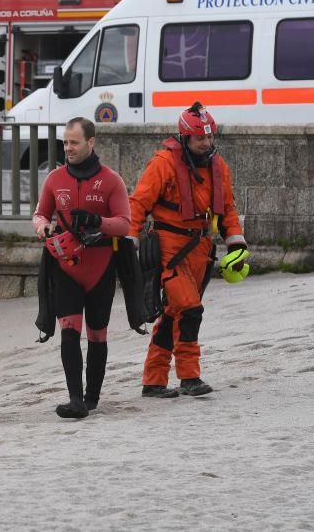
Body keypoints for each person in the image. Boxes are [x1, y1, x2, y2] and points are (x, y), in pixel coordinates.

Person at [129, 102, 249, 399]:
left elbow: (228, 209)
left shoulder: (219, 166)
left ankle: (153, 381)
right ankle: (190, 376)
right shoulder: (163, 163)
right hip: (170, 247)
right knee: (190, 310)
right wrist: (129, 240)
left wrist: (236, 242)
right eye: (200, 139)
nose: (206, 143)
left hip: (201, 250)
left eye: (209, 138)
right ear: (185, 138)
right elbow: (139, 203)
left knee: (171, 315)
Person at [33, 117, 132, 418]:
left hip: (100, 268)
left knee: (97, 334)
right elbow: (40, 214)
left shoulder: (111, 180)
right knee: (68, 331)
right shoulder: (54, 179)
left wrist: (95, 221)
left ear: (91, 143)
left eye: (74, 142)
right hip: (66, 268)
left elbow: (125, 225)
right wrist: (42, 229)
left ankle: (91, 397)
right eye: (65, 142)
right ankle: (75, 399)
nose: (68, 148)